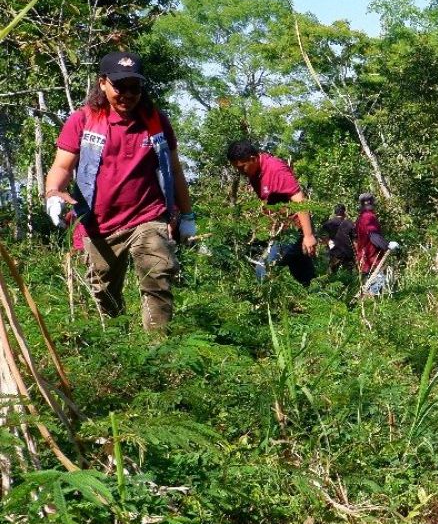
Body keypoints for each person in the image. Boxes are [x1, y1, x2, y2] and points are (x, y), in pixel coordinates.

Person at [44, 51, 195, 331]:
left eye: (134, 87)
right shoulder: (83, 120)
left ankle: (157, 350)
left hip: (147, 216)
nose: (127, 94)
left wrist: (187, 216)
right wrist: (53, 192)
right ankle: (118, 350)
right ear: (102, 83)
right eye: (119, 86)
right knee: (105, 295)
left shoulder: (156, 122)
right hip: (98, 224)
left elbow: (174, 171)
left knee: (157, 277)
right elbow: (63, 166)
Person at [226, 140, 317, 287]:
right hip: (283, 228)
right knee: (306, 279)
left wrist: (308, 235)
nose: (240, 172)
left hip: (294, 229)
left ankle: (267, 307)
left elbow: (300, 200)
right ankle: (323, 304)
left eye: (242, 167)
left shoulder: (275, 169)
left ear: (253, 158)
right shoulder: (254, 171)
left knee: (262, 269)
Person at [354, 193, 398, 294]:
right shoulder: (368, 217)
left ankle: (369, 304)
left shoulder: (360, 217)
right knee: (375, 289)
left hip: (365, 258)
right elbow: (373, 236)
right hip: (372, 259)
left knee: (370, 285)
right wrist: (387, 246)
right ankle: (373, 304)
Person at [322, 204, 356, 274]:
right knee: (348, 273)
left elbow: (322, 237)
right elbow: (355, 239)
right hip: (347, 252)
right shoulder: (350, 223)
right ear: (344, 212)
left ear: (335, 212)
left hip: (334, 251)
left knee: (333, 273)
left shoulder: (328, 224)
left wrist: (330, 244)